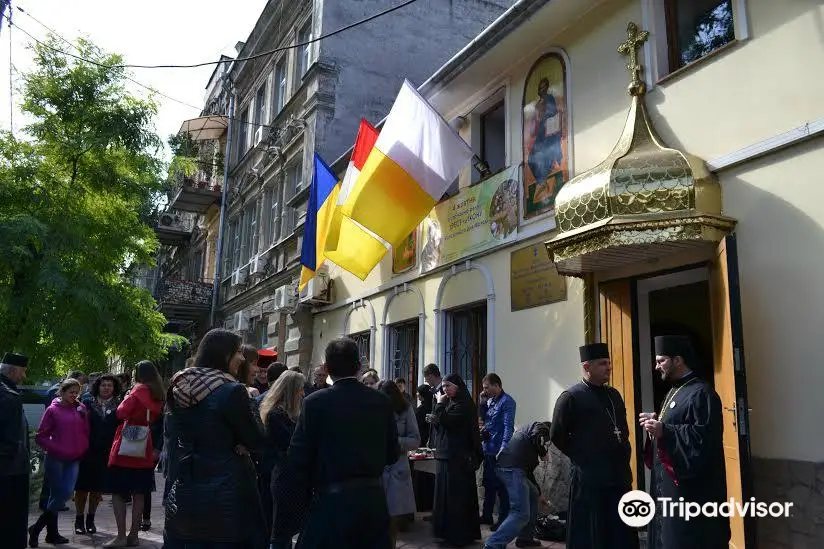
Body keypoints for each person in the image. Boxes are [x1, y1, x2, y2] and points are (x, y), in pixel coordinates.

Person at [273, 337, 400, 549]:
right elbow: (392, 453)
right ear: (359, 367)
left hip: (330, 504)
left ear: (327, 368)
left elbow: (297, 458)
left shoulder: (315, 403)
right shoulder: (381, 401)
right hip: (372, 502)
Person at [163, 328, 265, 549]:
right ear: (223, 354)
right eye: (238, 352)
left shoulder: (179, 385)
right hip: (227, 489)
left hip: (186, 481)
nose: (242, 358)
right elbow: (257, 440)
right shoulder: (232, 391)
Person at [640, 335, 730, 549]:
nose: (656, 366)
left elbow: (704, 439)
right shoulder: (674, 390)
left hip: (691, 493)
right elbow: (673, 425)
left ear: (678, 360)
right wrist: (656, 424)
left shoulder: (702, 393)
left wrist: (666, 430)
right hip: (669, 487)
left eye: (661, 360)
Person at [549, 343, 639, 549]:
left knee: (620, 531)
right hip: (589, 478)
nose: (609, 367)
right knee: (591, 533)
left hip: (618, 476)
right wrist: (581, 454)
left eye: (608, 363)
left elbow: (622, 430)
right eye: (602, 364)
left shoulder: (614, 394)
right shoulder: (571, 397)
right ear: (587, 367)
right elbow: (557, 435)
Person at [105, 362, 165, 548]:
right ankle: (134, 535)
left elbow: (121, 412)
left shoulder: (137, 390)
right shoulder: (159, 393)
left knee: (118, 492)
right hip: (145, 444)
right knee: (140, 493)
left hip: (128, 442)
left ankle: (121, 536)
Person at [30, 378, 90, 547]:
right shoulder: (52, 410)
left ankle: (36, 528)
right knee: (56, 496)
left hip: (74, 458)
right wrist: (56, 448)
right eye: (70, 391)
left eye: (76, 392)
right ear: (62, 392)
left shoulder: (81, 408)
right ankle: (51, 534)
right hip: (56, 458)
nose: (74, 395)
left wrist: (83, 446)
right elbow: (41, 436)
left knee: (65, 493)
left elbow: (86, 431)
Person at [430, 373, 483, 548]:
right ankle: (446, 532)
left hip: (458, 459)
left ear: (458, 387)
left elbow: (450, 421)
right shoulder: (451, 403)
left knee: (457, 498)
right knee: (445, 497)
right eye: (443, 387)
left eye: (448, 386)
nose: (445, 390)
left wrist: (439, 405)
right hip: (446, 456)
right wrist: (436, 415)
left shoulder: (464, 404)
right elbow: (442, 424)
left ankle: (460, 535)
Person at [483, 422, 552, 549]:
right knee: (520, 513)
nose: (547, 444)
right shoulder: (540, 427)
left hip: (512, 469)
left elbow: (529, 474)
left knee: (533, 494)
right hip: (511, 469)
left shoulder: (527, 446)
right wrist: (543, 452)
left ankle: (525, 538)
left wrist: (540, 494)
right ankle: (493, 544)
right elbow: (538, 435)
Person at [259, 370, 305, 549]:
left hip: (288, 477)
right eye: (300, 389)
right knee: (280, 531)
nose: (302, 393)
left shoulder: (288, 413)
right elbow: (287, 446)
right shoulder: (277, 415)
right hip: (282, 477)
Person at [74, 374, 123, 535]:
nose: (106, 388)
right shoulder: (87, 403)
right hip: (86, 451)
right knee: (81, 489)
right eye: (103, 385)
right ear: (98, 387)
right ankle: (79, 520)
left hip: (106, 452)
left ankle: (90, 520)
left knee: (96, 490)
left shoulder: (119, 405)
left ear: (114, 388)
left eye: (109, 385)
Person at [378, 380, 421, 548]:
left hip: (396, 471)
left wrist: (395, 442)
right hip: (377, 471)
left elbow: (415, 440)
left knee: (391, 523)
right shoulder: (374, 411)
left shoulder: (406, 410)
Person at [0, 352, 30, 549]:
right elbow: (8, 440)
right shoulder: (8, 396)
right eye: (23, 372)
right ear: (12, 371)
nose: (24, 377)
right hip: (10, 470)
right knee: (10, 520)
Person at [479, 373, 516, 530]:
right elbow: (485, 419)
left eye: (487, 387)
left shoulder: (507, 402)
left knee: (501, 487)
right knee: (488, 483)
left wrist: (504, 447)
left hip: (499, 450)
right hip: (488, 447)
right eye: (484, 388)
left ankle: (503, 518)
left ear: (497, 385)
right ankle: (487, 515)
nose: (485, 391)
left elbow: (508, 426)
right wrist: (482, 403)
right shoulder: (490, 401)